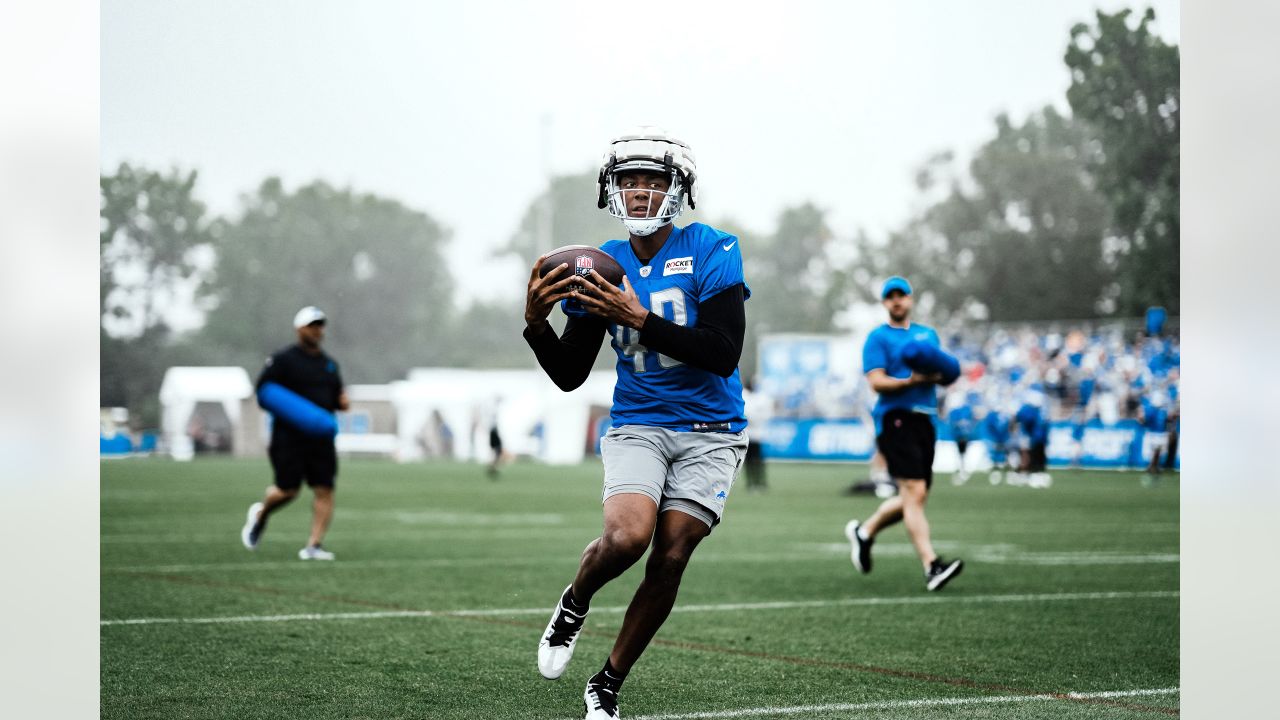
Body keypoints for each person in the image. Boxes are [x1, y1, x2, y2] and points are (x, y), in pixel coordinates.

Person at [522, 127, 749, 720]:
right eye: (629, 179)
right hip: (640, 423)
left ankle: (607, 682)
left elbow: (723, 351)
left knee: (672, 554)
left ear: (679, 189)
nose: (641, 191)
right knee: (627, 537)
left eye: (654, 179)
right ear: (611, 190)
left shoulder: (713, 248)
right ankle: (575, 602)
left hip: (712, 428)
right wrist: (536, 325)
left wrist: (640, 317)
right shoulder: (601, 263)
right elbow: (572, 374)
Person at [843, 276, 963, 592]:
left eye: (902, 295)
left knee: (915, 495)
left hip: (925, 420)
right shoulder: (878, 338)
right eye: (891, 296)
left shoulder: (928, 335)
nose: (897, 300)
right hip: (895, 419)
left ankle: (865, 532)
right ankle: (931, 565)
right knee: (914, 491)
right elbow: (876, 381)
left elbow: (941, 372)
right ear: (885, 303)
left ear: (910, 299)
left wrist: (939, 374)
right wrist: (910, 381)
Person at [240, 306, 349, 560]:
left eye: (320, 325)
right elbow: (264, 391)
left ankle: (314, 546)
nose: (317, 330)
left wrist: (342, 402)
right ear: (299, 329)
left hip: (321, 439)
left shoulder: (329, 366)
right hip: (289, 437)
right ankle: (260, 514)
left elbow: (338, 398)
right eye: (312, 325)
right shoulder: (283, 359)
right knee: (288, 490)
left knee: (325, 489)